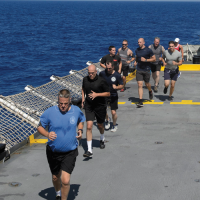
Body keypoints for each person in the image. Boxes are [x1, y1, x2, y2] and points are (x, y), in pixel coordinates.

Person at [37, 89, 85, 200]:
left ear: (70, 101)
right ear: (58, 101)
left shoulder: (76, 110)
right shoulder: (50, 112)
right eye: (60, 103)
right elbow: (39, 127)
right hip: (53, 152)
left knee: (66, 180)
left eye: (65, 104)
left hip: (70, 152)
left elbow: (80, 120)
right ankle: (58, 193)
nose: (63, 106)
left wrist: (80, 130)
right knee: (55, 177)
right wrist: (47, 134)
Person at [82, 64, 110, 158]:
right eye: (89, 73)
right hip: (89, 106)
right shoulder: (85, 79)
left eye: (92, 73)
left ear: (96, 72)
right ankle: (89, 150)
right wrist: (83, 99)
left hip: (100, 106)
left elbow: (108, 93)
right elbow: (83, 89)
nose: (90, 75)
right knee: (89, 126)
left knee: (100, 125)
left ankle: (102, 138)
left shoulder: (101, 81)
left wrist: (97, 95)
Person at [99, 61, 123, 132]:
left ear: (113, 67)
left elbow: (122, 85)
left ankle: (114, 125)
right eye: (107, 68)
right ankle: (107, 119)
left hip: (113, 95)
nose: (108, 69)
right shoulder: (102, 73)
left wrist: (116, 87)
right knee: (103, 110)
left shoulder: (117, 75)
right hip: (104, 95)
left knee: (113, 112)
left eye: (109, 68)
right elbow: (99, 81)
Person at [134, 38, 156, 107]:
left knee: (147, 84)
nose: (139, 43)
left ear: (144, 42)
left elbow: (154, 59)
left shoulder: (148, 50)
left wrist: (146, 60)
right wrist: (135, 62)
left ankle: (150, 91)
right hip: (139, 69)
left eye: (140, 42)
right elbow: (137, 57)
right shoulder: (137, 50)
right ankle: (140, 101)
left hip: (146, 69)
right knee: (140, 84)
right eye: (138, 42)